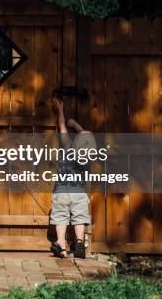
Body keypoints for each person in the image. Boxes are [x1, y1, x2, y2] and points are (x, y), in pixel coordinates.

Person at [50, 98, 95, 259]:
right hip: (79, 193)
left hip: (62, 191)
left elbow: (62, 127)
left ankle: (61, 243)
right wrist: (76, 125)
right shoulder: (88, 155)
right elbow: (86, 139)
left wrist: (60, 110)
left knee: (61, 217)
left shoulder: (68, 147)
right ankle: (80, 242)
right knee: (79, 217)